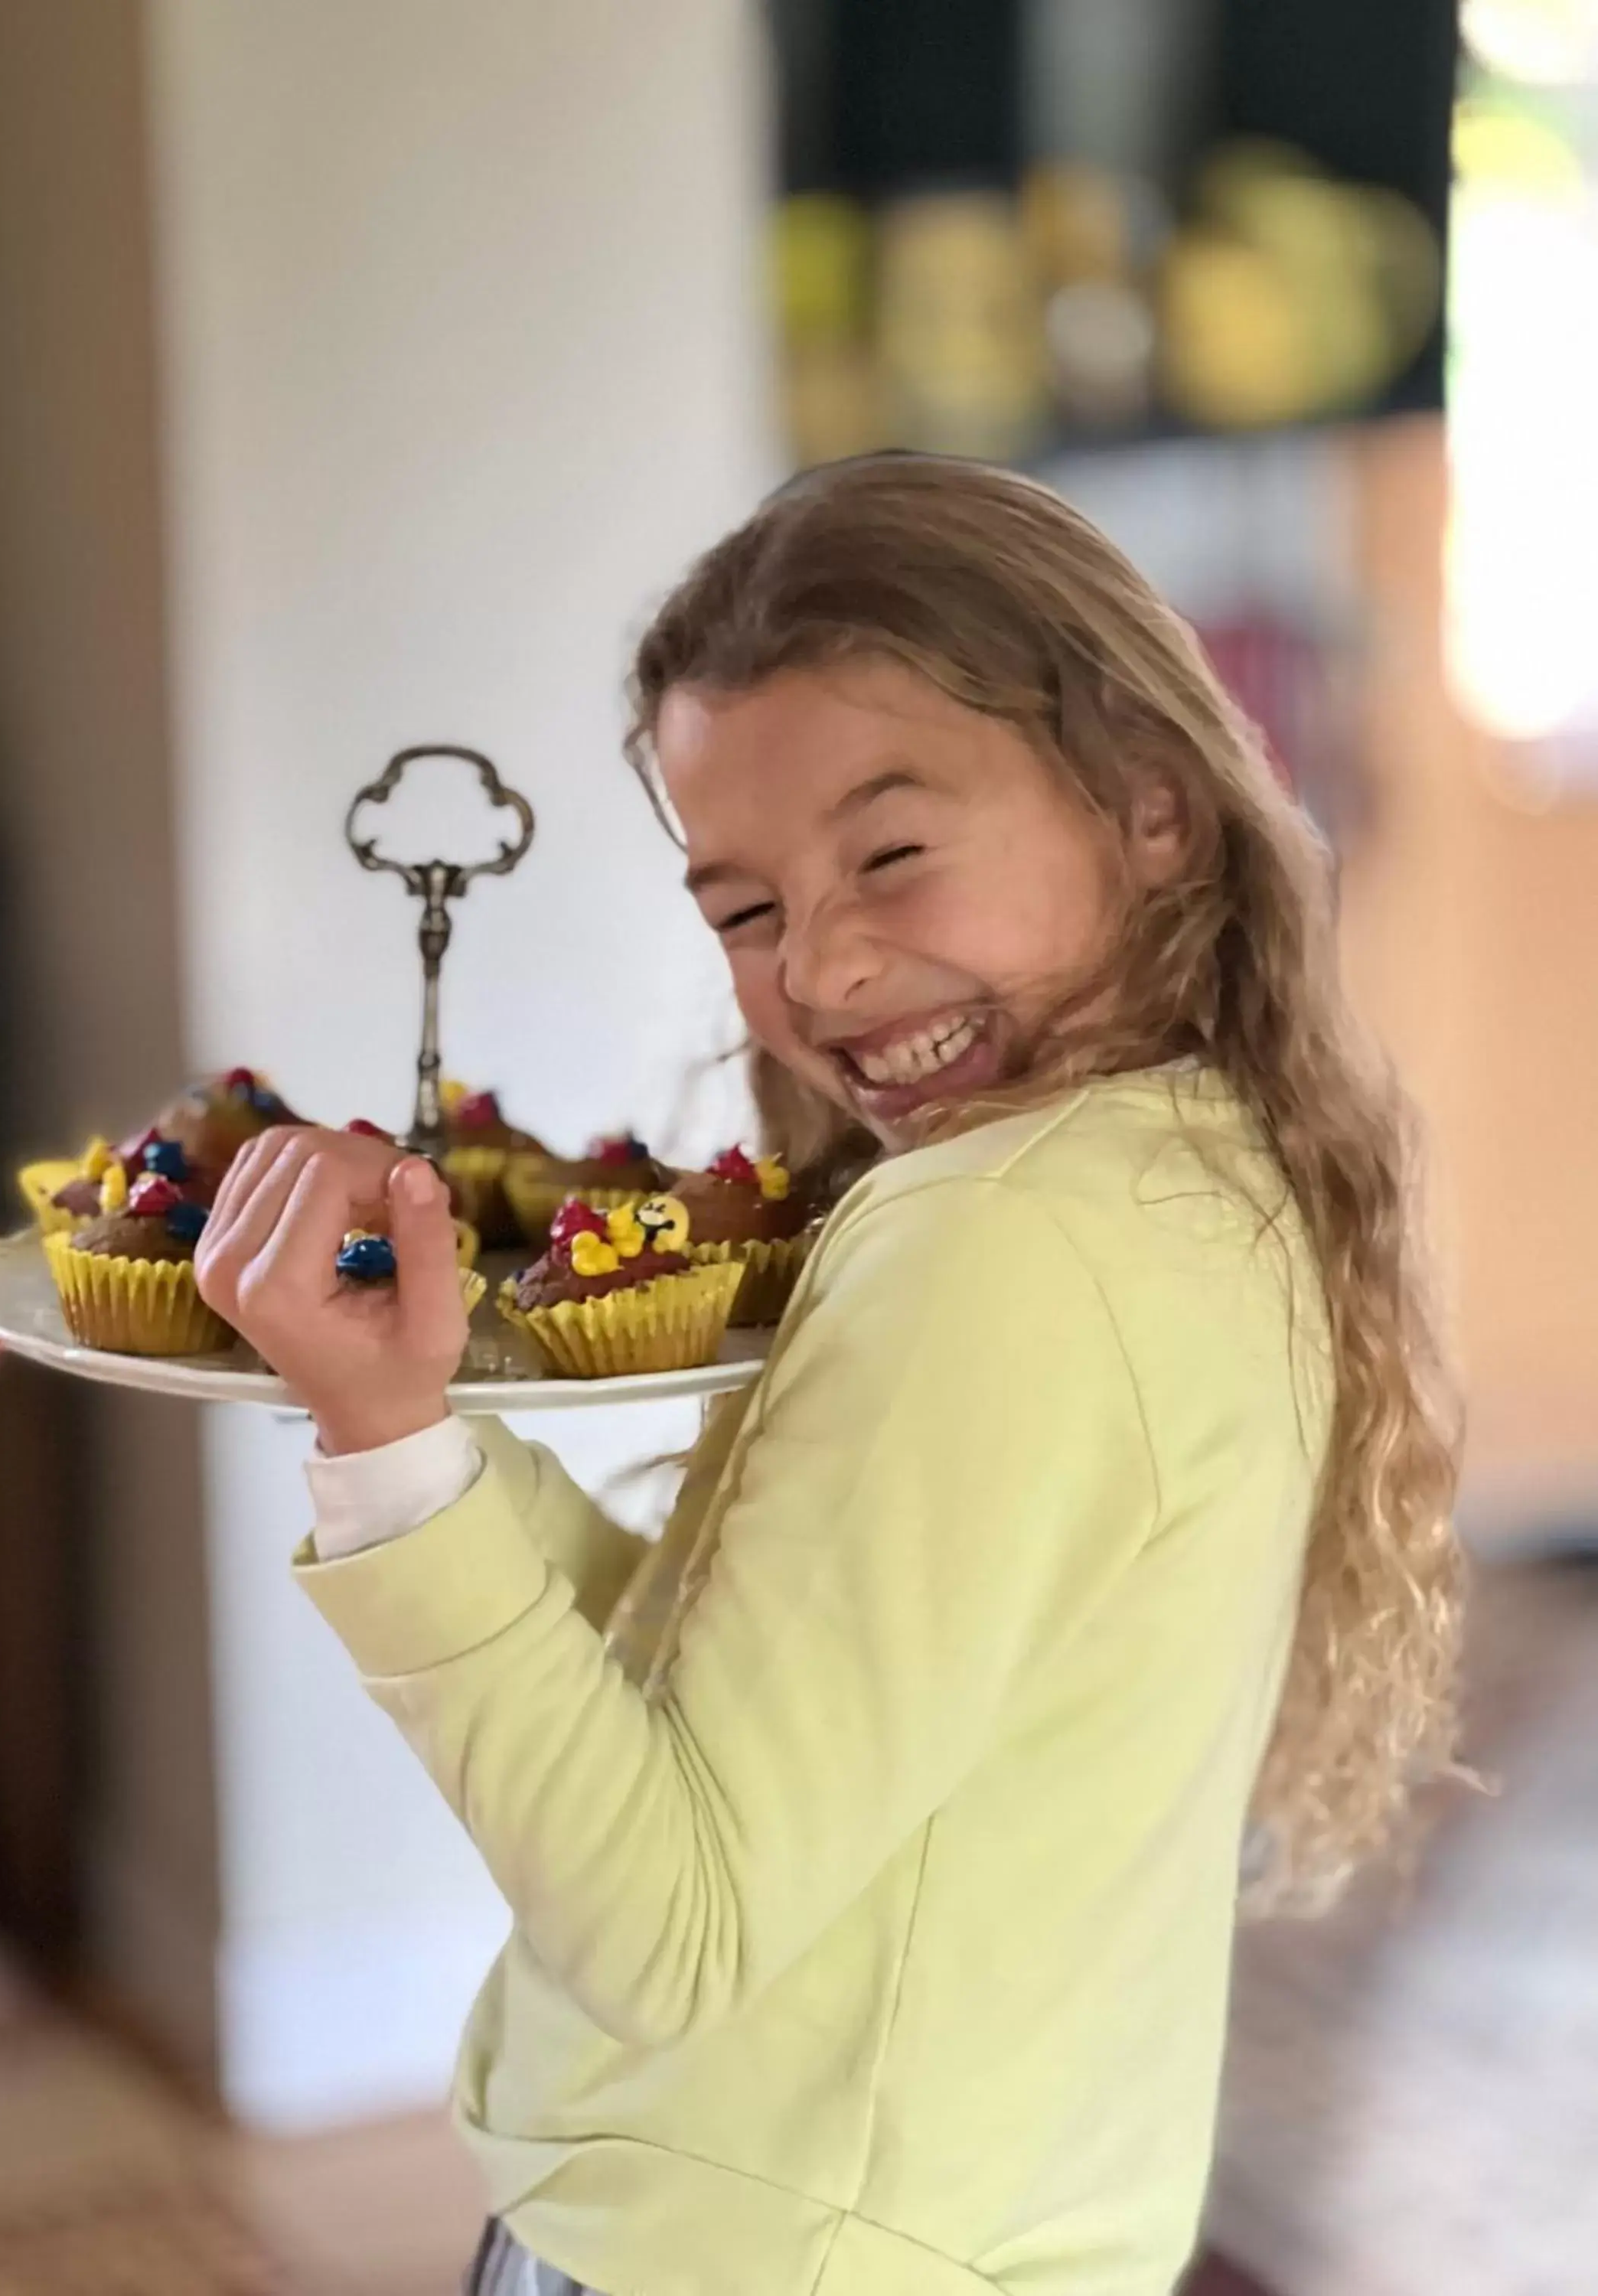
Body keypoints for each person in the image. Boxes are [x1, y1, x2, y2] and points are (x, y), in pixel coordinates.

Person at [194, 456, 1464, 2296]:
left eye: (889, 853)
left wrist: (387, 1455)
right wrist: (421, 1414)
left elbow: (667, 1928)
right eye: (743, 907)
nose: (828, 964)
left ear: (1153, 807)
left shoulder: (1003, 1240)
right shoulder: (1187, 1178)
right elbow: (753, 1723)